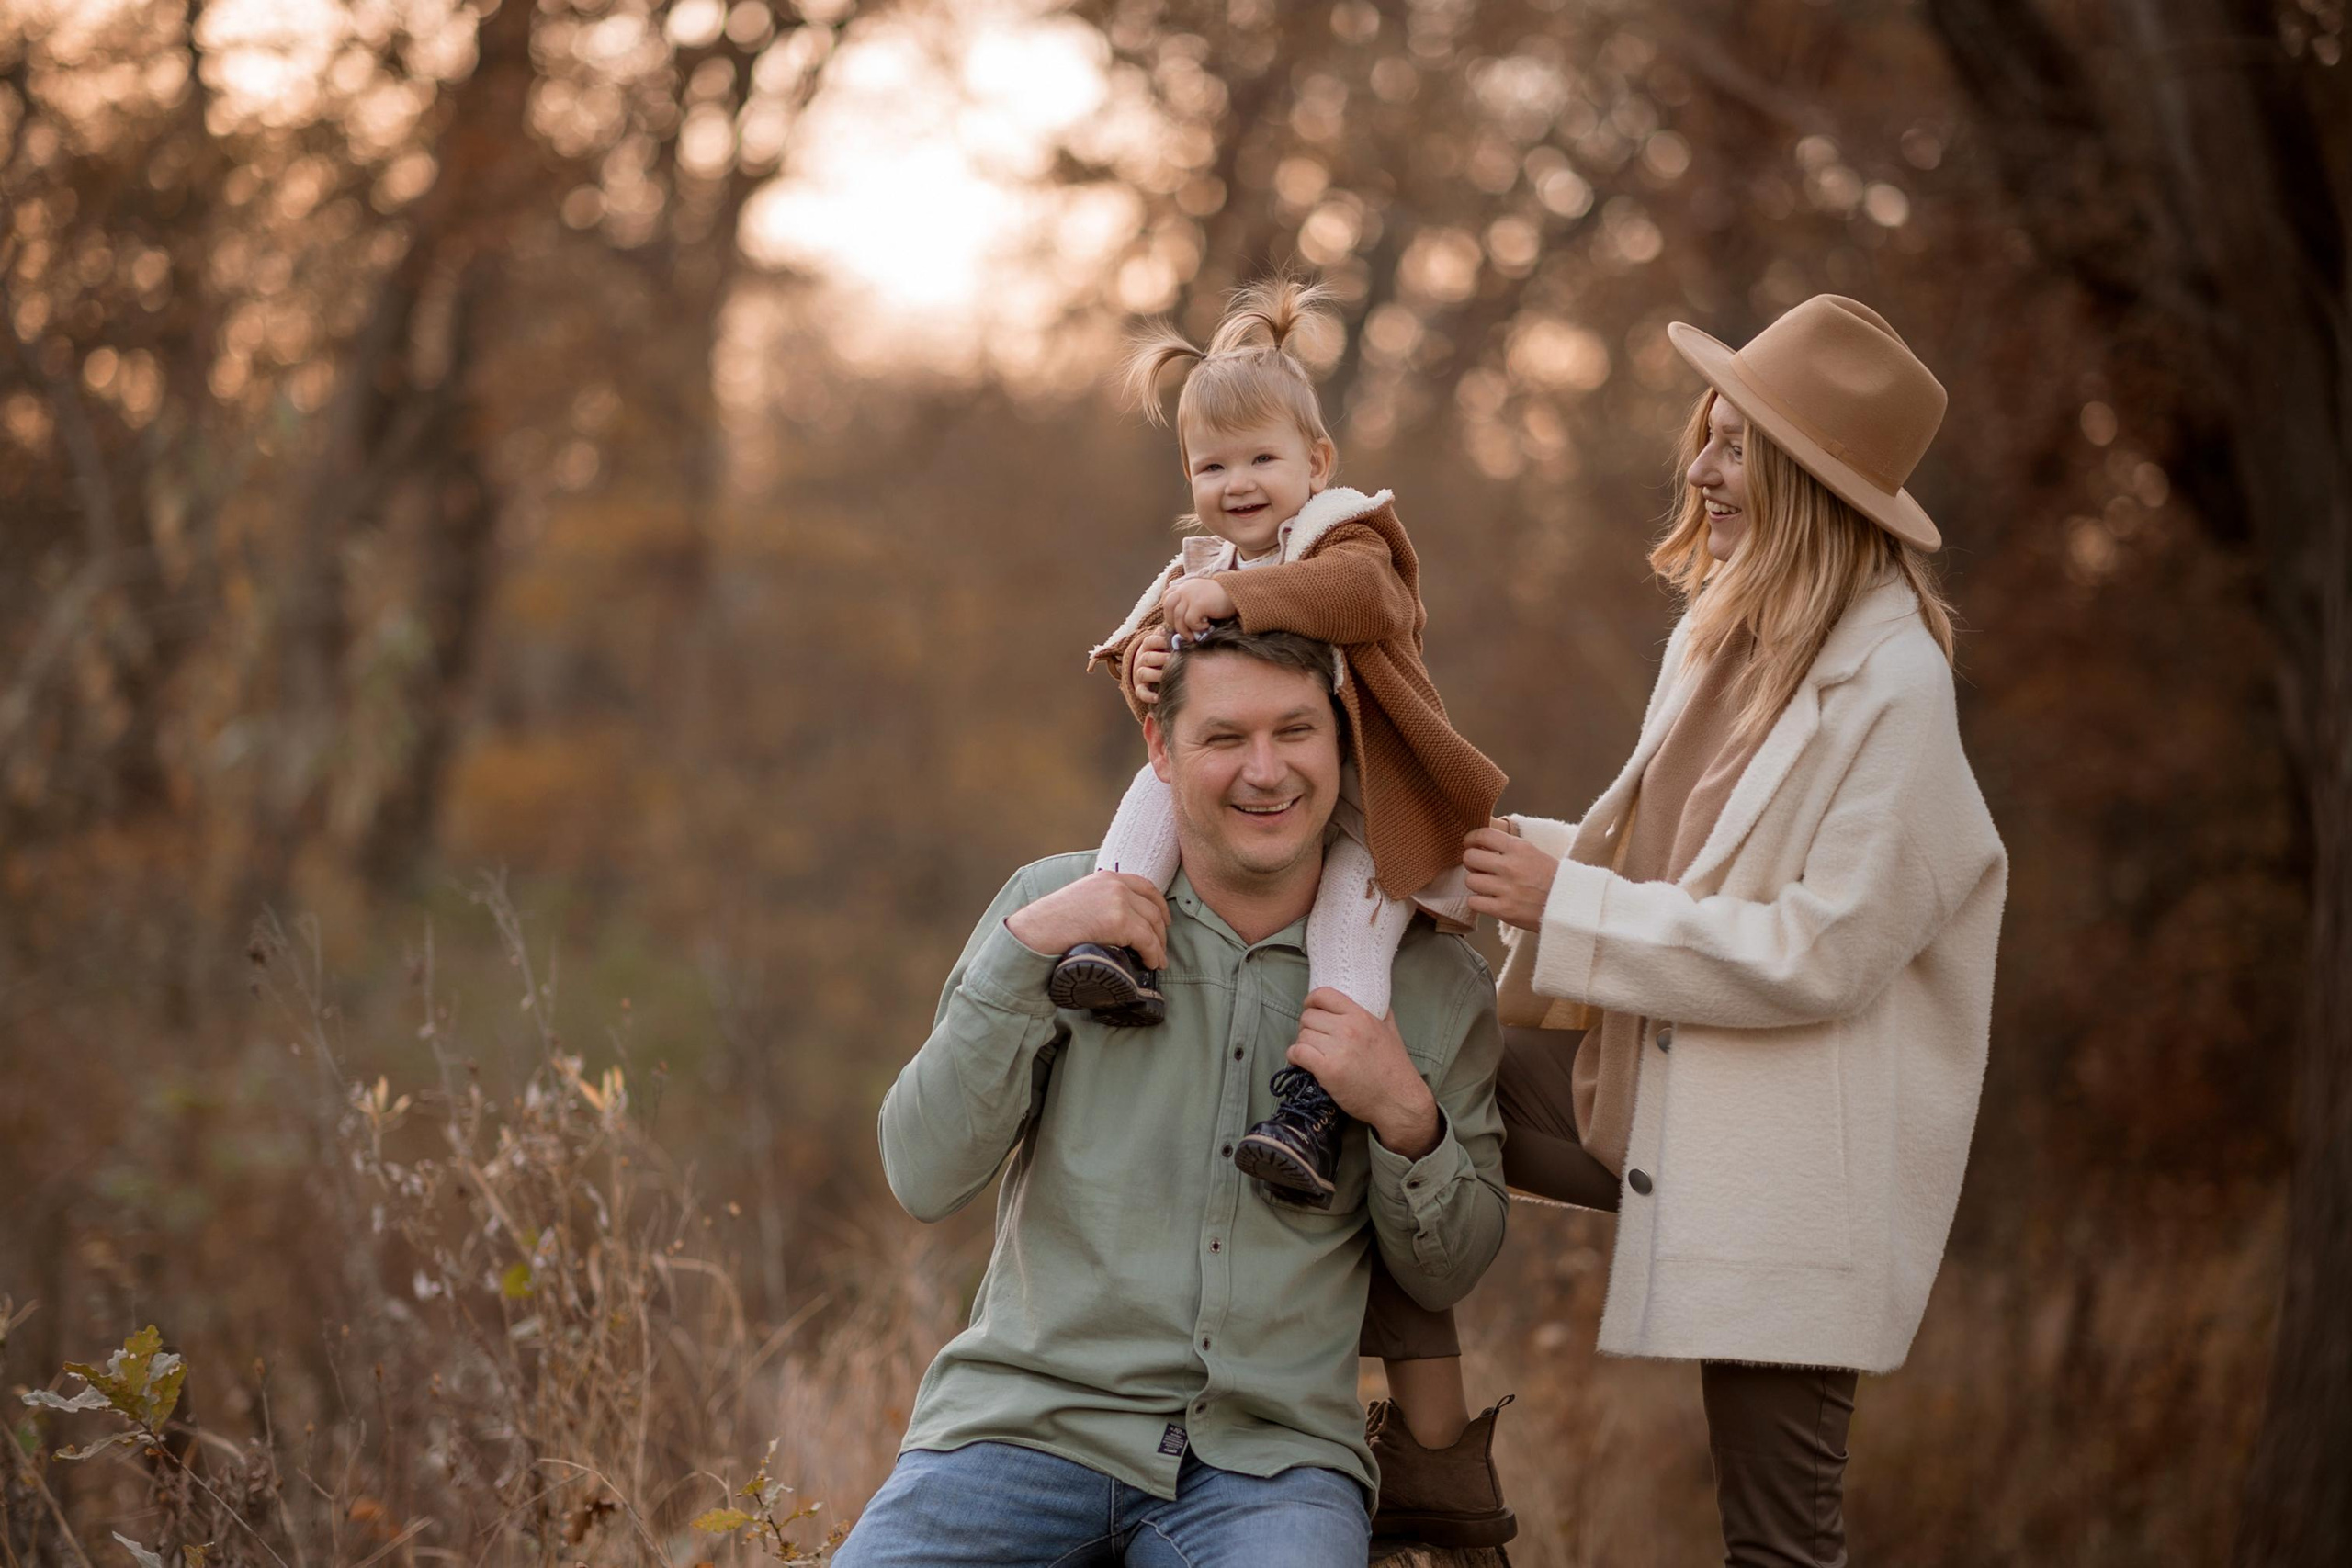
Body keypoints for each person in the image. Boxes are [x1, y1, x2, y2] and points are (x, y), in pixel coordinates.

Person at [1371, 294, 2010, 1567]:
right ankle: (1432, 1470)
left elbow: (1823, 947)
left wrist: (1570, 902)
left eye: (1735, 447)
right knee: (1383, 1069)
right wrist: (1454, 854)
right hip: (1651, 1084)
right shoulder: (1719, 632)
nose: (1700, 469)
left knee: (1778, 1537)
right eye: (1703, 436)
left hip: (1795, 1158)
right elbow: (1659, 863)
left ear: (1811, 480)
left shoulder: (1897, 687)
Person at [837, 626, 1509, 1567]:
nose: (1265, 771)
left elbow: (1450, 1271)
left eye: (1296, 732)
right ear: (1160, 749)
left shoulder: (1432, 986)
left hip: (1268, 1467)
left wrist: (1404, 1113)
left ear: (1343, 744)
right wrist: (1023, 950)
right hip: (1024, 1427)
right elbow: (921, 1173)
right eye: (1224, 738)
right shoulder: (1057, 911)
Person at [1059, 279, 1508, 1215]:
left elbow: (1362, 603)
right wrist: (1143, 661)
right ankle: (1122, 940)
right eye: (1211, 469)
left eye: (1261, 459)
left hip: (1370, 808)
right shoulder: (1203, 565)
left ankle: (1313, 1109)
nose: (1238, 486)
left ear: (1316, 459)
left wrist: (1238, 603)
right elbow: (1140, 653)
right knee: (1161, 779)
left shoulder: (1345, 536)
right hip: (1269, 792)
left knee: (1351, 936)